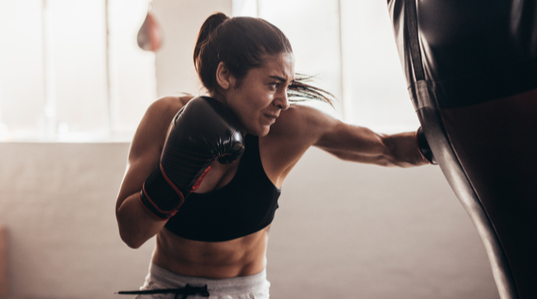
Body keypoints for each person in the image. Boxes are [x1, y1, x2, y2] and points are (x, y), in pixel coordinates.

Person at [115, 12, 433, 299]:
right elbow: (131, 234)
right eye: (273, 84)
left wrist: (450, 135)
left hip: (242, 294)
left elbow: (386, 148)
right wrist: (176, 171)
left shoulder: (290, 128)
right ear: (226, 75)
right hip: (166, 291)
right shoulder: (164, 117)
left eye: (287, 87)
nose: (284, 101)